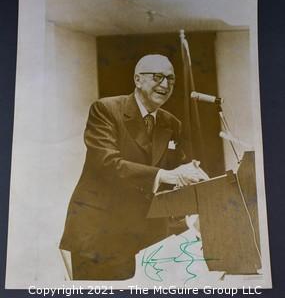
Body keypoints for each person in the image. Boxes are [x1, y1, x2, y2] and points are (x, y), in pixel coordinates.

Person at [59, 54, 208, 280]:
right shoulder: (105, 109)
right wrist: (168, 175)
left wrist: (193, 173)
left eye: (171, 79)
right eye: (158, 77)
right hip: (101, 234)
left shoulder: (170, 123)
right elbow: (107, 164)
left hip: (148, 236)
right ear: (138, 80)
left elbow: (177, 168)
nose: (166, 85)